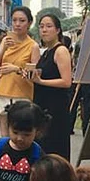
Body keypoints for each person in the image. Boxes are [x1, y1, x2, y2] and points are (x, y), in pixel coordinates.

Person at [0, 7, 40, 137]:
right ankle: (3, 158)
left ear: (29, 23)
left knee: (21, 137)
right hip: (3, 93)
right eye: (14, 20)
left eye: (22, 20)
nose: (17, 24)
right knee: (5, 138)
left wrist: (16, 69)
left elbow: (34, 76)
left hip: (22, 95)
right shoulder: (6, 41)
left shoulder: (33, 46)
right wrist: (2, 49)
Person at [33, 14, 73, 160]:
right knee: (42, 149)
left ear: (57, 30)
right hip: (42, 106)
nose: (44, 30)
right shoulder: (46, 52)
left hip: (55, 108)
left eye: (49, 26)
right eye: (42, 26)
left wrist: (41, 81)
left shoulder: (60, 51)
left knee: (54, 151)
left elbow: (66, 81)